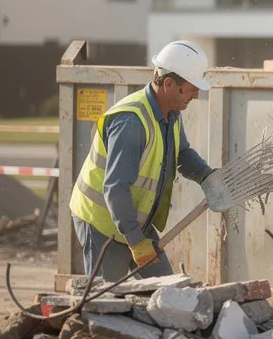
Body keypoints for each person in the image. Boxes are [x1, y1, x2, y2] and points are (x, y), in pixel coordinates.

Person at [69, 40, 215, 281]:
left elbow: (182, 153)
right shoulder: (131, 122)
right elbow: (116, 188)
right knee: (106, 299)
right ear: (169, 84)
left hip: (135, 221)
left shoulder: (171, 113)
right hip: (103, 224)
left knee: (168, 292)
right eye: (191, 89)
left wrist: (207, 176)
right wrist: (136, 242)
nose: (196, 95)